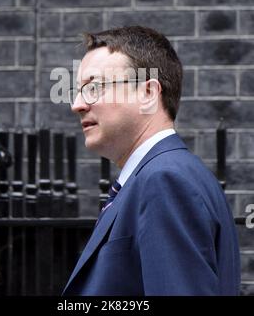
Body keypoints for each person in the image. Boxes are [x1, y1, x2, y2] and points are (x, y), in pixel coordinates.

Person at [62, 26, 240, 296]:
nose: (77, 104)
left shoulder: (165, 180)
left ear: (147, 94)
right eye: (78, 91)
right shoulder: (163, 175)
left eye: (93, 87)